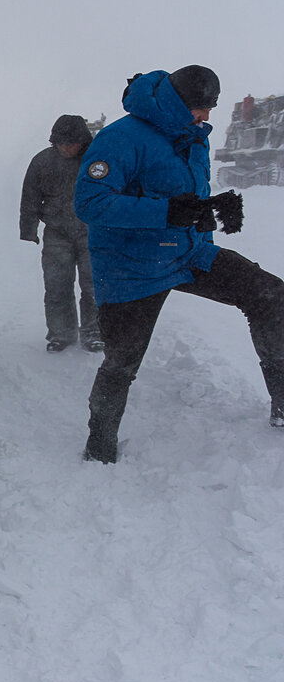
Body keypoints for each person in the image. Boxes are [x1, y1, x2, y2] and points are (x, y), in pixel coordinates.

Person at [74, 65, 284, 464]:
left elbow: (179, 197)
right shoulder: (122, 138)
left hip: (188, 253)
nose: (208, 116)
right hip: (131, 267)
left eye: (211, 108)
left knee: (271, 295)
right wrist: (167, 213)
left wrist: (211, 207)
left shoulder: (192, 136)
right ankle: (99, 448)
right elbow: (89, 203)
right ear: (176, 103)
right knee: (121, 362)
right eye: (201, 108)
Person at [20, 114, 103, 352]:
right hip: (57, 233)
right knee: (57, 285)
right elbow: (30, 198)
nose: (65, 148)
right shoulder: (42, 162)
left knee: (94, 285)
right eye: (60, 143)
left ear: (83, 141)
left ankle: (94, 332)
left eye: (71, 143)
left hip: (93, 233)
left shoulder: (97, 161)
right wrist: (28, 229)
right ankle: (61, 333)